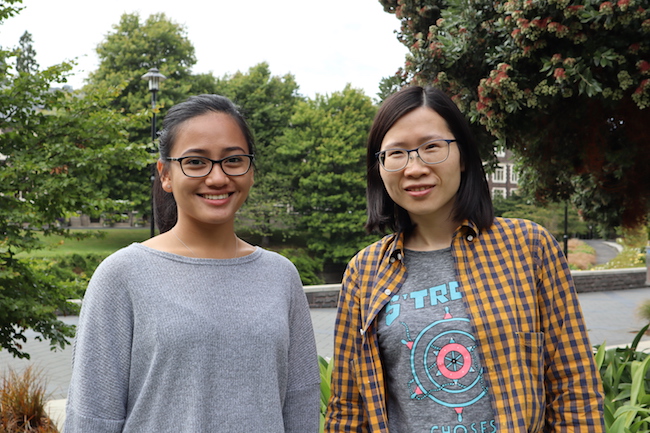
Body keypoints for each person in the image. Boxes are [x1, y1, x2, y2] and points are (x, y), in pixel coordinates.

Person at [324, 86, 605, 432]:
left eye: (432, 148)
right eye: (396, 153)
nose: (414, 168)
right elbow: (348, 411)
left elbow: (574, 386)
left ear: (465, 156)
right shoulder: (364, 271)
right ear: (379, 168)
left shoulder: (529, 247)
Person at [65, 94, 321, 432]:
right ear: (166, 175)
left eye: (233, 160)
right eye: (196, 162)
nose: (217, 178)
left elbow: (301, 404)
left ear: (251, 170)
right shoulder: (122, 275)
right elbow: (92, 415)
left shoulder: (280, 275)